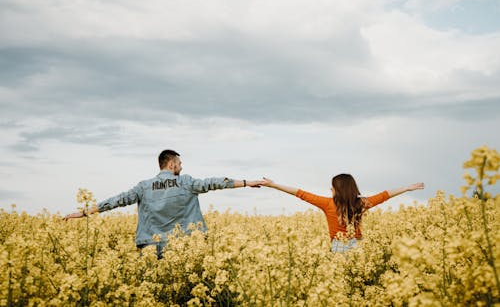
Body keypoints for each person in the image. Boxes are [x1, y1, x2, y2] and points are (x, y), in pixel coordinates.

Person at [64, 149, 264, 258]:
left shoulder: (143, 187)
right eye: (179, 164)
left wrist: (84, 212)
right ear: (171, 164)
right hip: (184, 245)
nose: (181, 167)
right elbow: (216, 183)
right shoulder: (186, 182)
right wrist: (247, 182)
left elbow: (116, 201)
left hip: (150, 246)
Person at [261, 174, 424, 253]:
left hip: (338, 247)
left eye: (332, 187)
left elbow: (300, 193)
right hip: (359, 245)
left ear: (337, 189)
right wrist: (406, 188)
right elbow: (385, 195)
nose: (330, 189)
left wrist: (274, 185)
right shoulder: (361, 203)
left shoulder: (327, 204)